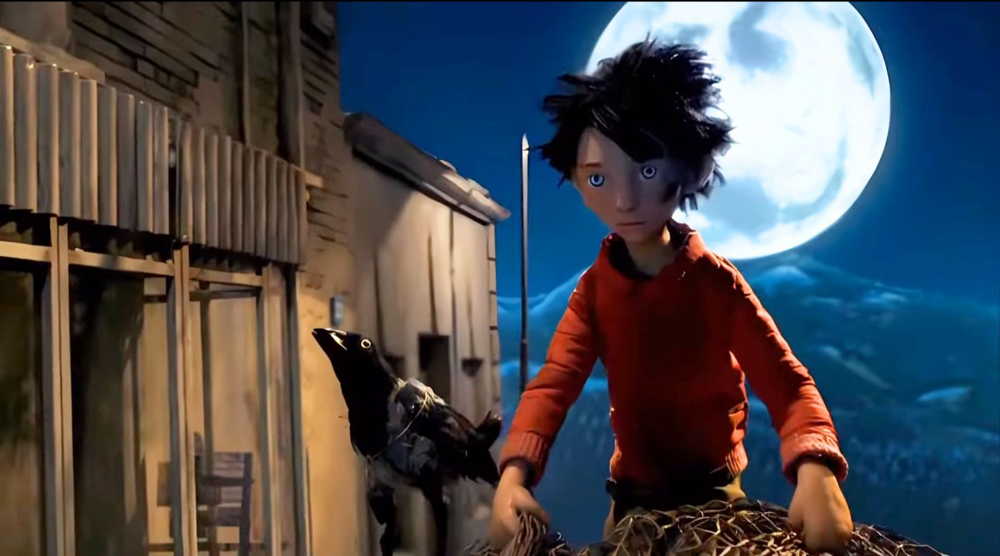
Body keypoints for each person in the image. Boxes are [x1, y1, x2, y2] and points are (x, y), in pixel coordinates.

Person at [488, 39, 854, 554]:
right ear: (576, 181)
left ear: (688, 169)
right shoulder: (594, 295)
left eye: (647, 170)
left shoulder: (715, 284)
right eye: (598, 177)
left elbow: (785, 381)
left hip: (717, 498)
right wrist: (514, 475)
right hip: (631, 500)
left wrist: (816, 468)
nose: (624, 200)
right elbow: (553, 386)